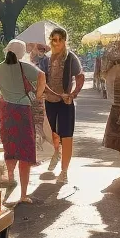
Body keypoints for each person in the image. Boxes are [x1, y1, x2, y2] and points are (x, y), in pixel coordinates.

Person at [0, 39, 45, 204]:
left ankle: (10, 177)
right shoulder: (25, 67)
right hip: (23, 111)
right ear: (21, 53)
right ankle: (23, 194)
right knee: (25, 151)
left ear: (7, 51)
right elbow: (42, 77)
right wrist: (38, 94)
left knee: (10, 145)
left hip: (6, 111)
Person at [41, 26, 85, 184]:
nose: (57, 43)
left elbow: (80, 77)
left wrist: (73, 94)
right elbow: (41, 80)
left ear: (65, 41)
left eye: (60, 40)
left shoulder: (71, 58)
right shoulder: (46, 58)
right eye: (54, 40)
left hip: (66, 102)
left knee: (67, 136)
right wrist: (46, 92)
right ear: (51, 41)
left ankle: (64, 171)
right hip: (50, 100)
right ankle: (56, 152)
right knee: (52, 134)